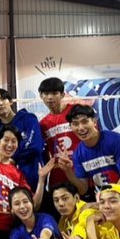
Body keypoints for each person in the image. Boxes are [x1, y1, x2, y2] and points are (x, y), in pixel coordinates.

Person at [59, 105, 120, 216]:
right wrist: (68, 171)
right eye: (75, 124)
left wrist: (105, 201)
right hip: (113, 208)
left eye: (85, 122)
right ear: (71, 127)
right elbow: (83, 189)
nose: (81, 128)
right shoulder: (78, 154)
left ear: (94, 122)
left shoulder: (116, 140)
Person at [38, 77, 85, 215]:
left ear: (63, 94)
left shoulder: (76, 113)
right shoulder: (43, 124)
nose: (50, 98)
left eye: (54, 93)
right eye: (46, 94)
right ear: (41, 96)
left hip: (80, 174)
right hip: (58, 177)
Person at [0, 88, 44, 192]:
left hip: (34, 180)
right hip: (8, 183)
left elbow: (35, 147)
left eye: (3, 99)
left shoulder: (29, 119)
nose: (0, 103)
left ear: (11, 101)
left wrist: (13, 159)